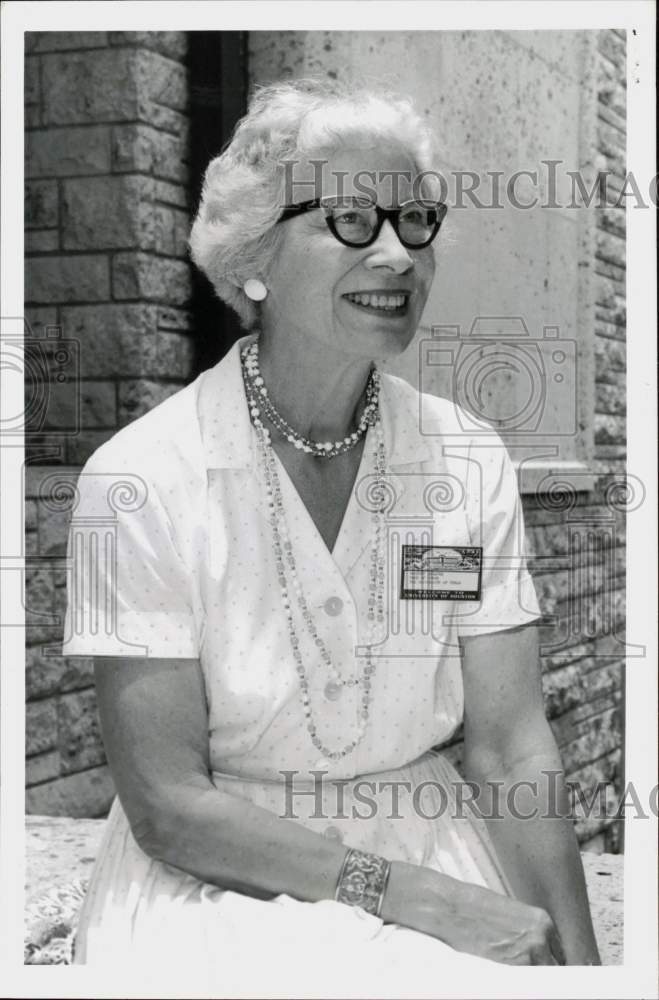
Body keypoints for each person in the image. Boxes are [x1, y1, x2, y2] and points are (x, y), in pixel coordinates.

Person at [63, 79, 600, 991]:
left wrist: (589, 973)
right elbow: (167, 805)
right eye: (350, 220)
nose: (397, 254)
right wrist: (415, 898)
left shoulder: (464, 458)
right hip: (218, 870)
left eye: (415, 221)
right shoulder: (143, 477)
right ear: (255, 256)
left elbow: (509, 744)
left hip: (428, 828)